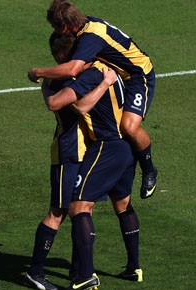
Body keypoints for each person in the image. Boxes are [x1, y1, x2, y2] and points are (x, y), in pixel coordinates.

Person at [28, 0, 158, 201]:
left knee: (129, 127)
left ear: (64, 25)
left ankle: (149, 169)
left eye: (55, 27)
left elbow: (72, 68)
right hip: (121, 74)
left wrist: (39, 72)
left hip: (138, 76)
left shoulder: (90, 37)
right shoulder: (86, 25)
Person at [25, 33, 126, 290]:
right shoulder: (58, 81)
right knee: (58, 212)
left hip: (87, 151)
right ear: (64, 56)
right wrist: (103, 83)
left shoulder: (70, 76)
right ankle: (35, 272)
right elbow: (76, 106)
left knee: (81, 209)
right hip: (68, 153)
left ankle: (78, 271)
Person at [44, 35, 143, 290]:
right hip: (126, 147)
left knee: (78, 206)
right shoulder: (117, 70)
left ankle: (86, 275)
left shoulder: (92, 74)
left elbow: (78, 107)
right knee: (123, 205)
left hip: (107, 147)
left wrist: (43, 76)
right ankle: (134, 268)